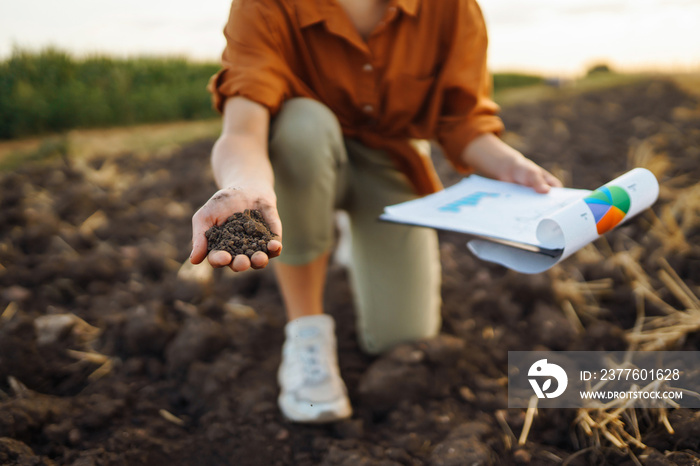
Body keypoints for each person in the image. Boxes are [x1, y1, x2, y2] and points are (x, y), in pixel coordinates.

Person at [190, 0, 562, 423]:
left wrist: (512, 166)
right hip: (301, 158)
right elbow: (243, 129)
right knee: (300, 125)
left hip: (390, 161)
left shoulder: (452, 8)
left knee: (403, 337)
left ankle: (353, 234)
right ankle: (306, 332)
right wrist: (247, 185)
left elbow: (462, 121)